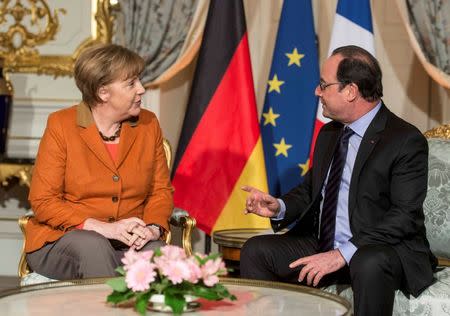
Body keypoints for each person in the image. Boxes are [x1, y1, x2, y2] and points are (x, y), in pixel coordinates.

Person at [240, 45, 437, 316]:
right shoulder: (330, 133)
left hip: (379, 247)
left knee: (368, 261)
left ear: (351, 91)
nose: (316, 92)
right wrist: (279, 207)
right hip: (326, 240)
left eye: (323, 85)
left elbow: (403, 217)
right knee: (257, 250)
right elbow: (313, 190)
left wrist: (342, 253)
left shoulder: (404, 140)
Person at [25, 44, 174, 280]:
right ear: (103, 92)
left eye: (139, 81)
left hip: (128, 243)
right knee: (93, 246)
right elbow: (43, 201)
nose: (142, 89)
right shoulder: (61, 125)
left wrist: (152, 228)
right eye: (131, 83)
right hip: (65, 240)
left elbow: (160, 191)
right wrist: (101, 227)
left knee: (161, 255)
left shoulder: (148, 124)